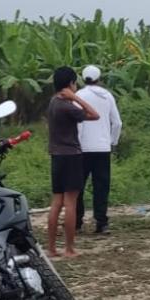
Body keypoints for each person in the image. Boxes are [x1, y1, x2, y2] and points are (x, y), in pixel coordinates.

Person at [46, 66, 99, 257]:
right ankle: (69, 248)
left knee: (57, 202)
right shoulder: (67, 106)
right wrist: (75, 98)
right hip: (72, 156)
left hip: (56, 156)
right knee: (70, 203)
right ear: (70, 84)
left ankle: (51, 248)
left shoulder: (53, 102)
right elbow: (94, 115)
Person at [75, 65, 122, 234]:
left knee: (78, 187)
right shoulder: (107, 96)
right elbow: (117, 123)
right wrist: (112, 142)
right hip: (103, 148)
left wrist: (77, 144)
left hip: (82, 148)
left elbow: (77, 123)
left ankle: (77, 223)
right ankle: (101, 223)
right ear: (99, 78)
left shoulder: (79, 96)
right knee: (101, 186)